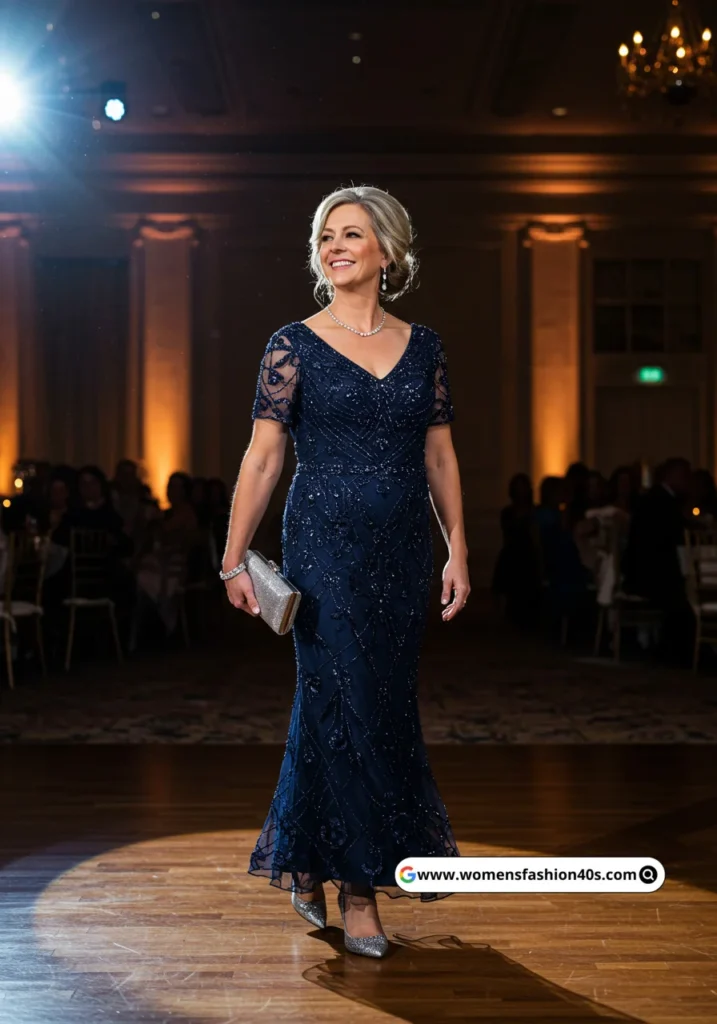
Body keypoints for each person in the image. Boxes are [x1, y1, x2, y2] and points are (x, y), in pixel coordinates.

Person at [222, 186, 469, 958]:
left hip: (402, 549)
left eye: (351, 234)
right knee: (346, 698)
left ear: (386, 251)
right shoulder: (291, 343)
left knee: (375, 706)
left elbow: (439, 457)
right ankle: (358, 891)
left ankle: (305, 856)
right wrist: (232, 558)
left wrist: (459, 548)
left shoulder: (423, 346)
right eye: (325, 235)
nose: (333, 245)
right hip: (322, 546)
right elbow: (263, 457)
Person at [622, 456, 693, 665]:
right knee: (683, 597)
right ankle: (677, 652)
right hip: (651, 575)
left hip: (647, 572)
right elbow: (671, 540)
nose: (688, 482)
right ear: (673, 476)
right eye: (685, 476)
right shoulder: (662, 501)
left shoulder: (657, 499)